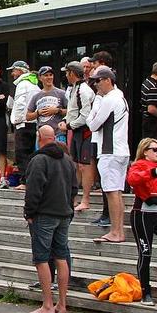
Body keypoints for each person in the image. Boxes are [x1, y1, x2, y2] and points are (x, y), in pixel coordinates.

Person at [22, 125, 78, 313]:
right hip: (63, 213)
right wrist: (68, 208)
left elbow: (34, 189)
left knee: (41, 257)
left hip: (44, 213)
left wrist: (29, 212)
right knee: (61, 256)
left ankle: (47, 304)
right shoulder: (67, 160)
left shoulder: (39, 160)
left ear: (40, 138)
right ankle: (62, 303)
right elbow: (73, 188)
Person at [126, 137, 157, 306]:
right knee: (145, 253)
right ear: (145, 151)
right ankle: (146, 292)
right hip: (142, 214)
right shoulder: (138, 165)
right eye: (154, 149)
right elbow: (132, 180)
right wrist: (152, 173)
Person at [86, 66, 129, 244]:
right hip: (120, 150)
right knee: (116, 192)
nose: (96, 85)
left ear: (107, 80)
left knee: (112, 192)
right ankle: (117, 230)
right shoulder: (120, 98)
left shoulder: (109, 99)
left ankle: (116, 231)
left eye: (98, 81)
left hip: (110, 152)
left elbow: (93, 124)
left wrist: (93, 112)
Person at [60, 61, 96, 213]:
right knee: (75, 164)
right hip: (76, 131)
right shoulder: (74, 89)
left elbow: (85, 116)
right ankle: (74, 198)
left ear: (72, 73)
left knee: (84, 165)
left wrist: (68, 125)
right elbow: (72, 111)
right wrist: (66, 122)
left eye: (67, 73)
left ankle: (86, 199)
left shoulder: (84, 90)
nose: (66, 76)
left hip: (85, 131)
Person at [9, 60, 40, 189]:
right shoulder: (35, 85)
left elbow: (20, 104)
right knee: (30, 152)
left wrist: (17, 120)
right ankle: (29, 180)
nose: (12, 73)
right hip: (32, 123)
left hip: (23, 124)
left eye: (14, 70)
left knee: (22, 153)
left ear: (21, 71)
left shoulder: (23, 84)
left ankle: (24, 181)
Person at [26, 67, 68, 143]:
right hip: (41, 136)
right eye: (46, 75)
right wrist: (38, 113)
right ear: (40, 78)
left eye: (51, 75)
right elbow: (28, 116)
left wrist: (57, 110)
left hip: (58, 134)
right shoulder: (36, 96)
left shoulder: (62, 93)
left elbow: (70, 111)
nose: (49, 77)